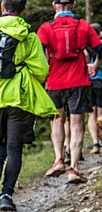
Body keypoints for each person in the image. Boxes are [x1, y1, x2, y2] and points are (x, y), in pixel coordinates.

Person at [0, 0, 57, 212]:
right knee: (14, 148)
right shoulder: (29, 36)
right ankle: (6, 195)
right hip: (19, 97)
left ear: (2, 7)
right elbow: (42, 70)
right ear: (23, 10)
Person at [38, 0, 102, 183]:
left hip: (54, 82)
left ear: (54, 5)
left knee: (57, 120)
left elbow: (40, 56)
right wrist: (95, 65)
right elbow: (100, 50)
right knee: (76, 123)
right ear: (73, 5)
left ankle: (59, 159)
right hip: (79, 81)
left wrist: (44, 76)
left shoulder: (45, 28)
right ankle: (73, 168)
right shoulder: (83, 25)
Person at [88, 23, 102, 154]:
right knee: (100, 113)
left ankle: (95, 142)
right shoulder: (100, 47)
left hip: (89, 83)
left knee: (91, 114)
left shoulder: (86, 47)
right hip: (101, 81)